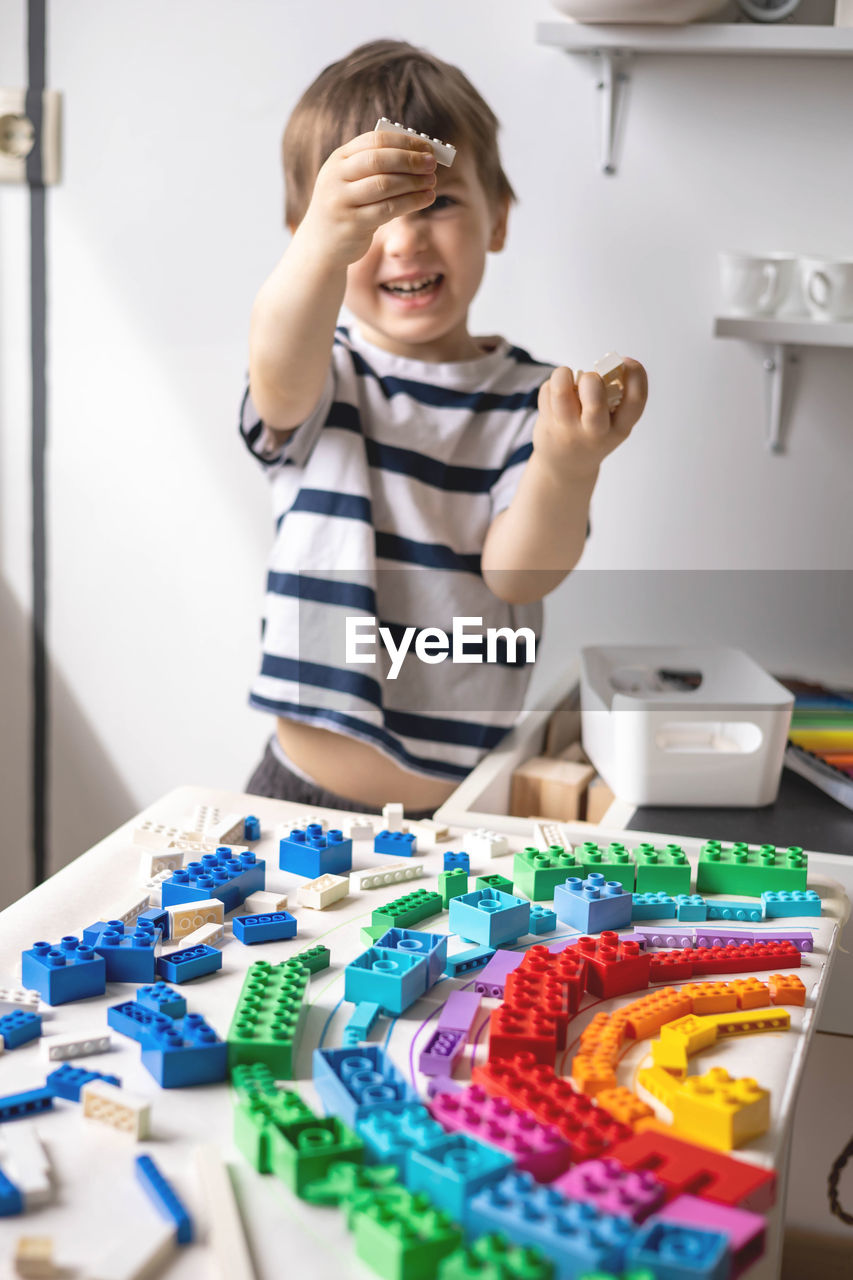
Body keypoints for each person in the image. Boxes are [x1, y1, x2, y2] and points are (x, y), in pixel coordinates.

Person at [241, 39, 647, 816]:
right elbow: (276, 358)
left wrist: (567, 465)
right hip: (299, 793)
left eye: (437, 202)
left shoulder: (538, 401)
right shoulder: (321, 374)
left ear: (497, 217)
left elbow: (518, 578)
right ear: (309, 234)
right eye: (367, 214)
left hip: (462, 814)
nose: (402, 238)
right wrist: (322, 244)